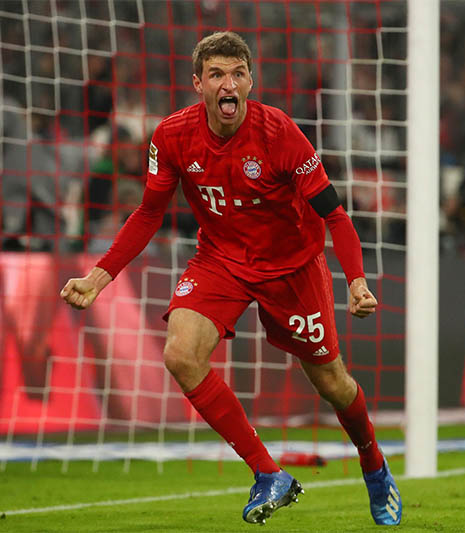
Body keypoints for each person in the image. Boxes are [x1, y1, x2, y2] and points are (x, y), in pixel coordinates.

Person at [60, 31, 401, 526]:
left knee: (332, 382)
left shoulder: (280, 132)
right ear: (198, 83)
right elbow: (149, 213)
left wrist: (356, 280)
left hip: (292, 267)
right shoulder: (171, 135)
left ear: (250, 81)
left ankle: (373, 463)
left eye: (237, 74)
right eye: (217, 74)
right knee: (179, 353)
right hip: (220, 259)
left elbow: (336, 215)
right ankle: (269, 474)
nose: (228, 84)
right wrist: (99, 275)